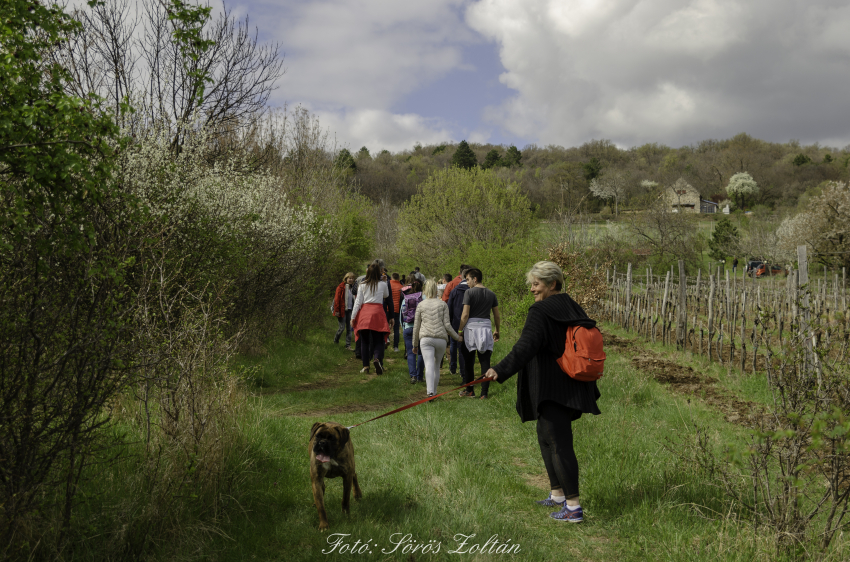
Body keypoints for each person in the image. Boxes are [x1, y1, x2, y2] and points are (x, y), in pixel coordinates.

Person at [482, 261, 600, 523]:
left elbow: (526, 346)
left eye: (536, 284)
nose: (532, 289)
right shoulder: (570, 304)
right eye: (532, 284)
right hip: (571, 384)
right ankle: (558, 494)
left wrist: (499, 370)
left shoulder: (541, 310)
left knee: (559, 444)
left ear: (552, 284)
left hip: (552, 387)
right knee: (546, 437)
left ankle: (573, 507)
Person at [457, 268, 500, 399]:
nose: (467, 282)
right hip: (486, 328)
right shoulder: (491, 294)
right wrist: (497, 330)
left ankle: (470, 390)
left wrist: (459, 331)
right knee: (485, 361)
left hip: (471, 329)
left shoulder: (469, 293)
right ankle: (484, 393)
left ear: (475, 279)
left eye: (468, 279)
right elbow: (496, 315)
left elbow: (465, 314)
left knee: (468, 361)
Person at [413, 279, 461, 398]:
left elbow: (416, 327)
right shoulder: (442, 304)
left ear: (425, 290)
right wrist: (457, 337)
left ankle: (430, 392)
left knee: (428, 365)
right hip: (441, 339)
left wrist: (414, 344)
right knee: (436, 366)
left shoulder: (421, 305)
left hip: (426, 338)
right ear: (436, 290)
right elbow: (447, 325)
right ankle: (434, 392)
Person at [351, 262, 393, 374]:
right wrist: (384, 282)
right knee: (378, 339)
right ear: (379, 273)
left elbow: (358, 302)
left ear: (367, 273)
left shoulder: (362, 285)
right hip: (378, 313)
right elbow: (386, 295)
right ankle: (377, 359)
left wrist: (353, 317)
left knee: (364, 341)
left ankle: (365, 366)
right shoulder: (383, 284)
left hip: (365, 313)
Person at [400, 279, 425, 383]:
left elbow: (401, 317)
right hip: (420, 328)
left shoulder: (404, 299)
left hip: (408, 328)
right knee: (420, 353)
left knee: (410, 353)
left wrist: (404, 328)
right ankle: (419, 376)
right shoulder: (423, 298)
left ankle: (413, 376)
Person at [447, 269, 471, 376]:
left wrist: (449, 323)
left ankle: (453, 367)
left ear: (460, 277)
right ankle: (463, 371)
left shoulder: (455, 291)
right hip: (469, 322)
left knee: (453, 345)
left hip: (455, 322)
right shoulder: (471, 290)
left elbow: (449, 308)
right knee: (464, 348)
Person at [333, 272, 355, 349]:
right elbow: (337, 300)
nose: (351, 280)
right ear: (346, 278)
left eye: (352, 278)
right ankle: (336, 341)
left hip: (350, 310)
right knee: (341, 328)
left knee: (349, 328)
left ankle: (348, 345)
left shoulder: (353, 288)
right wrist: (337, 310)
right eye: (349, 278)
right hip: (342, 310)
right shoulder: (341, 287)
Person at [389, 273, 404, 351]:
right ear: (398, 278)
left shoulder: (388, 285)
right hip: (397, 309)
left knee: (386, 325)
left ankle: (386, 340)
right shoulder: (401, 287)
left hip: (388, 309)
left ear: (391, 277)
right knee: (396, 328)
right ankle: (396, 347)